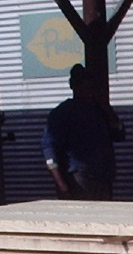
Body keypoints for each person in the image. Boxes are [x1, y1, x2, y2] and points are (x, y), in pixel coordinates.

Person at [41, 64, 124, 200]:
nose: (88, 91)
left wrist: (108, 110)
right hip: (80, 179)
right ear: (73, 86)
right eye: (82, 86)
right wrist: (61, 185)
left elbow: (119, 135)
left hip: (103, 177)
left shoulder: (100, 111)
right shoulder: (63, 113)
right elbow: (49, 149)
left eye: (91, 86)